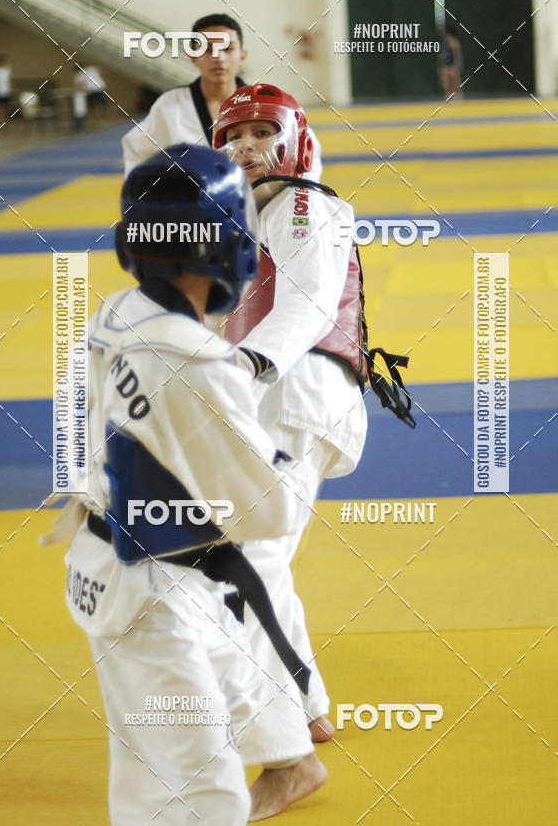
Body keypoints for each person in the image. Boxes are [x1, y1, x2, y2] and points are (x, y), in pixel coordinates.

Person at [42, 144, 325, 825]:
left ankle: (295, 759)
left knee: (234, 675)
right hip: (149, 593)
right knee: (195, 791)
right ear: (228, 246)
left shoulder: (115, 312)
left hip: (134, 559)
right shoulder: (194, 361)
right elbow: (270, 508)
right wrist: (281, 456)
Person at [213, 84, 369, 813]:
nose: (244, 147)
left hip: (294, 391)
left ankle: (287, 758)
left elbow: (307, 301)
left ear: (297, 138)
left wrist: (249, 366)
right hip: (279, 398)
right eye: (230, 137)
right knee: (258, 562)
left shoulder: (305, 204)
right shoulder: (256, 221)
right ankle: (305, 705)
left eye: (261, 132)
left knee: (239, 569)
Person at [121, 13, 322, 179]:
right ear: (193, 57)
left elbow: (306, 153)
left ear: (242, 56)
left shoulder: (269, 103)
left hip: (259, 213)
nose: (218, 57)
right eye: (207, 50)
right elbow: (137, 154)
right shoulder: (170, 106)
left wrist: (293, 201)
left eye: (227, 49)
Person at [439, 24, 464, 99]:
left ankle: (459, 95)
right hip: (445, 65)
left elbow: (457, 54)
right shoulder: (445, 42)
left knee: (455, 82)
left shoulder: (454, 41)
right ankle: (448, 95)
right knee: (446, 81)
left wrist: (458, 64)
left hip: (453, 64)